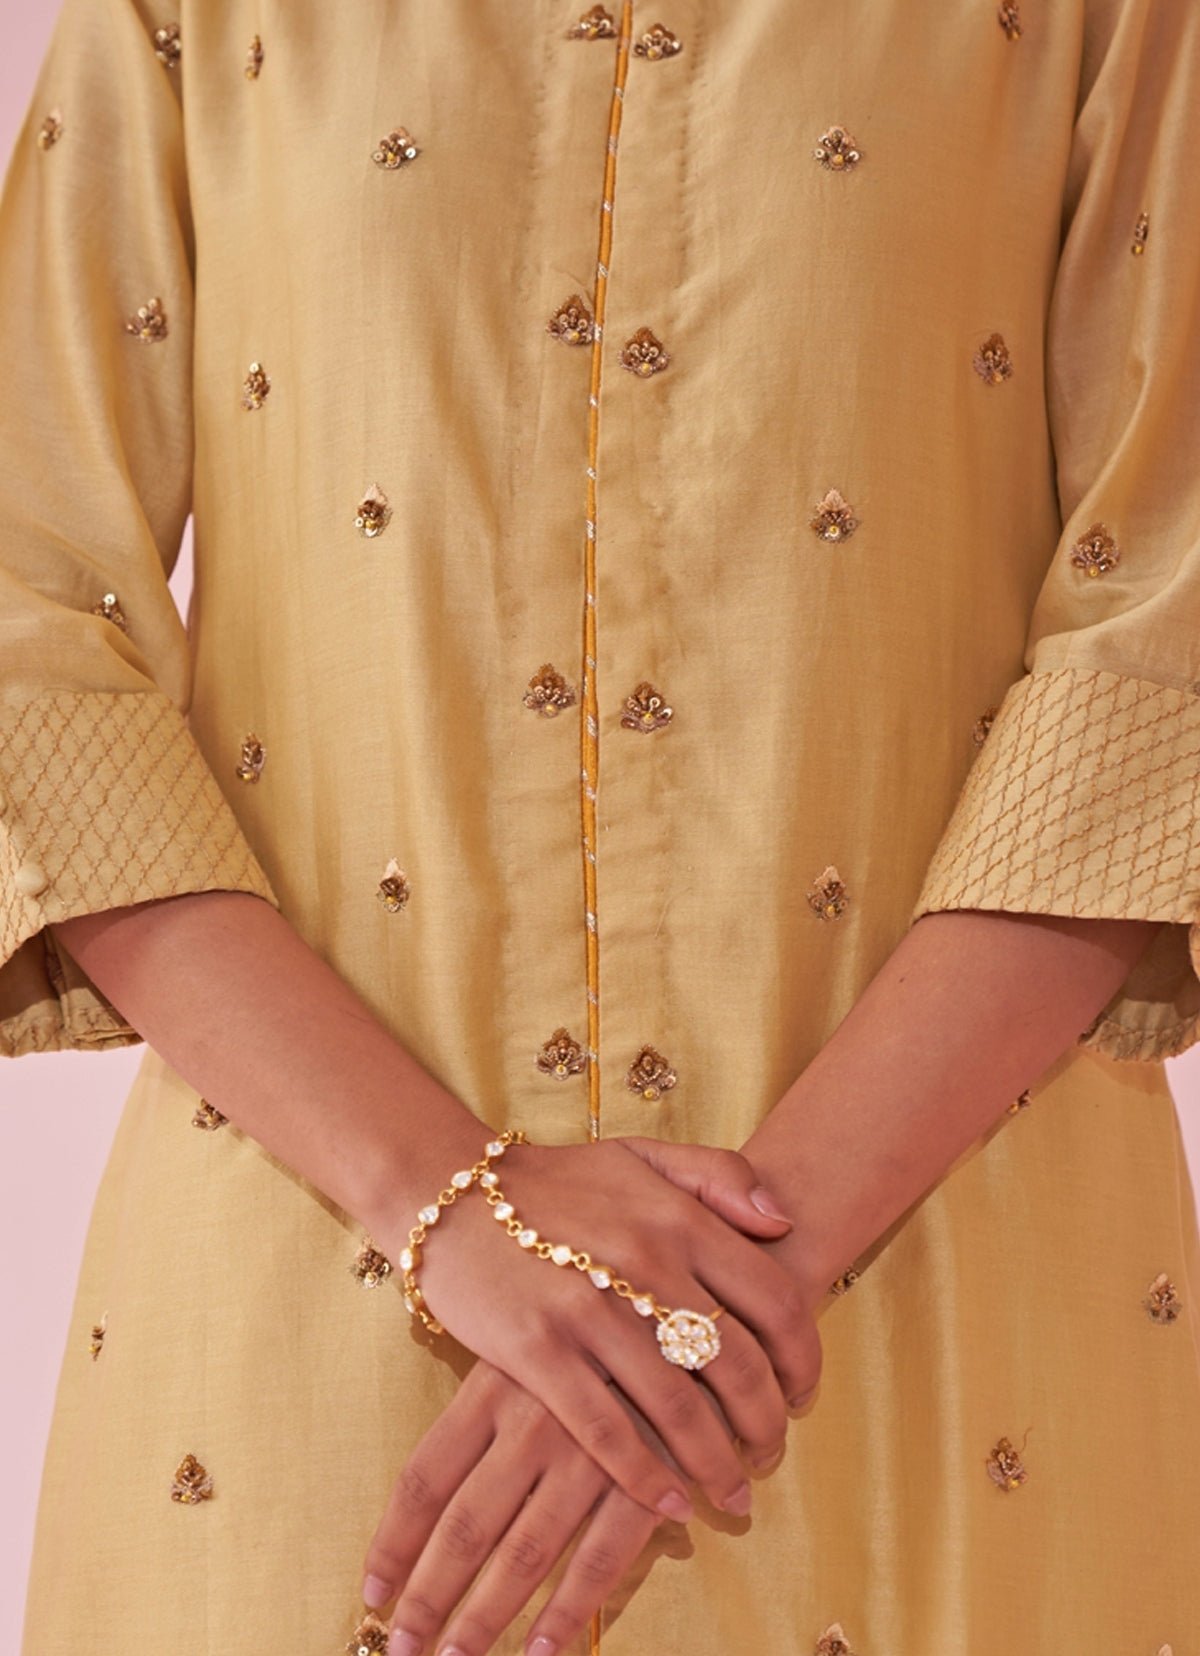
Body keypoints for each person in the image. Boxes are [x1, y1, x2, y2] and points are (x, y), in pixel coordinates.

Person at [3, 1, 1200, 1652]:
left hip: (926, 1326)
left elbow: (1165, 629)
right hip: (319, 1291)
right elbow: (31, 627)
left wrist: (710, 1291)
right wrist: (449, 1205)